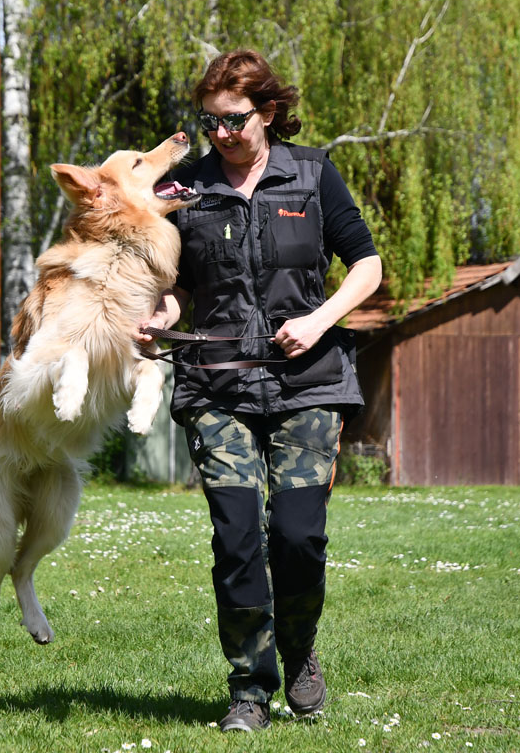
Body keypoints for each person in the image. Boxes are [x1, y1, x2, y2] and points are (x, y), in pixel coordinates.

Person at [137, 49, 382, 732]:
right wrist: (157, 318)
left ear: (268, 112)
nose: (220, 135)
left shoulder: (312, 174)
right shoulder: (184, 192)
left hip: (307, 383)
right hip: (217, 386)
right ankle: (249, 687)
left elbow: (367, 265)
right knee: (238, 538)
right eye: (209, 122)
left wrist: (319, 318)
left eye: (234, 121)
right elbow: (175, 288)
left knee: (297, 537)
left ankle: (299, 651)